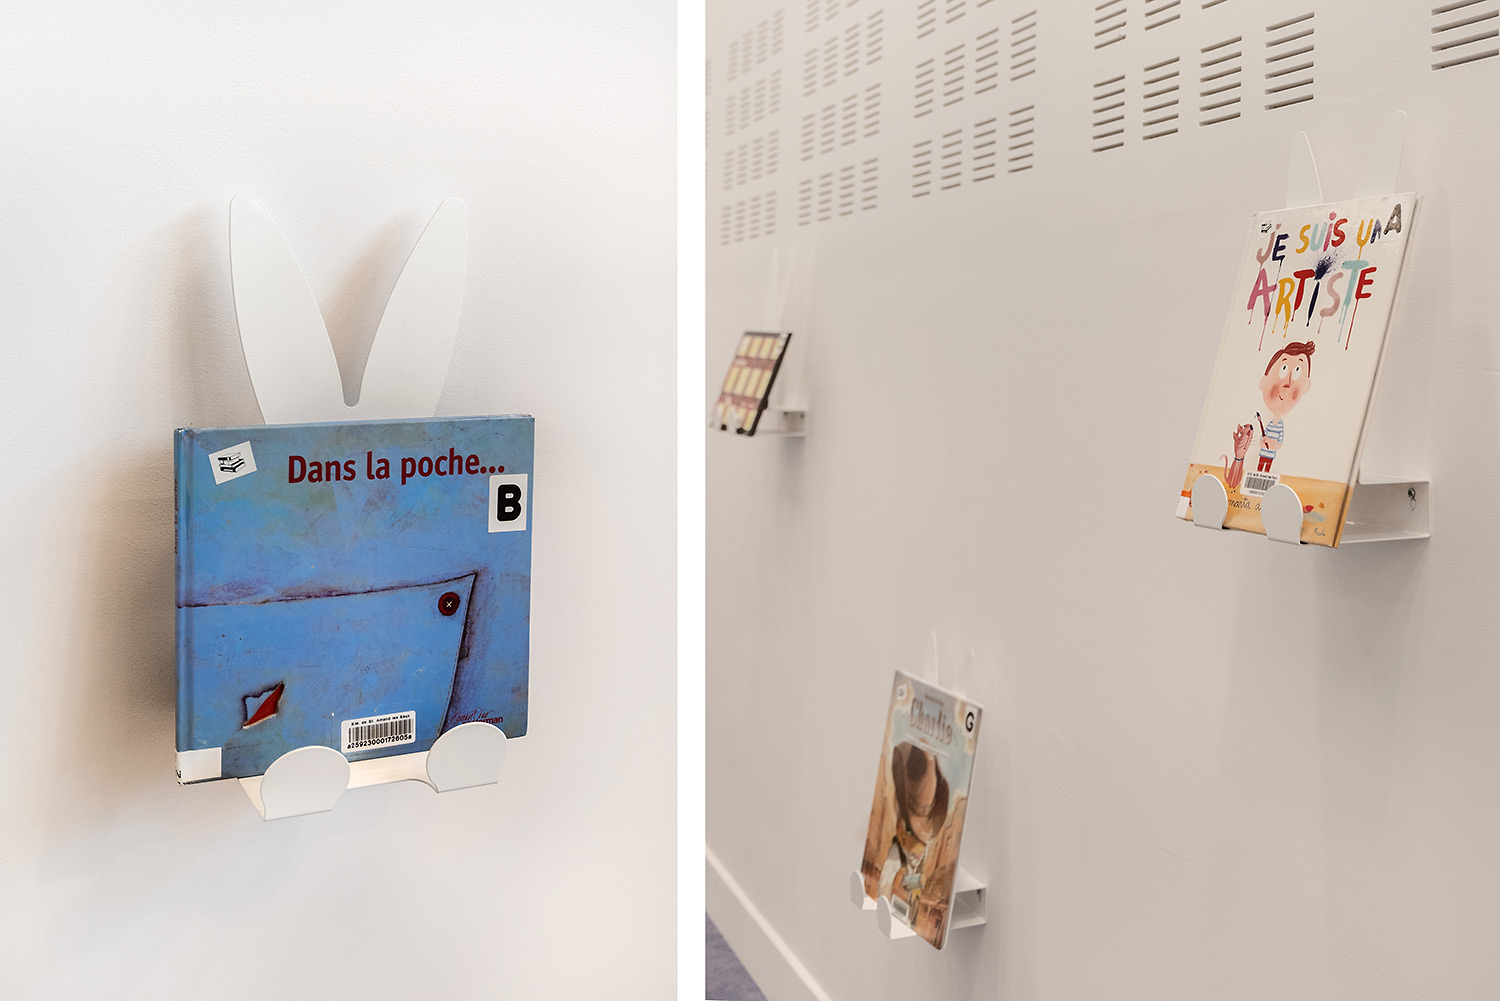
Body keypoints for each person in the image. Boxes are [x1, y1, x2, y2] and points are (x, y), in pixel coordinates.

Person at [1256, 341, 1315, 472]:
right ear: (1263, 381)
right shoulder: (1270, 424)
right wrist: (1262, 442)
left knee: (1267, 469)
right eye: (1283, 369)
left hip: (1271, 455)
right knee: (1259, 468)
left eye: (1297, 371)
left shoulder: (1280, 426)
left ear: (1306, 386)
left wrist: (1274, 445)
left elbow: (1280, 442)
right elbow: (1263, 438)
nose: (1288, 382)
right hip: (1263, 453)